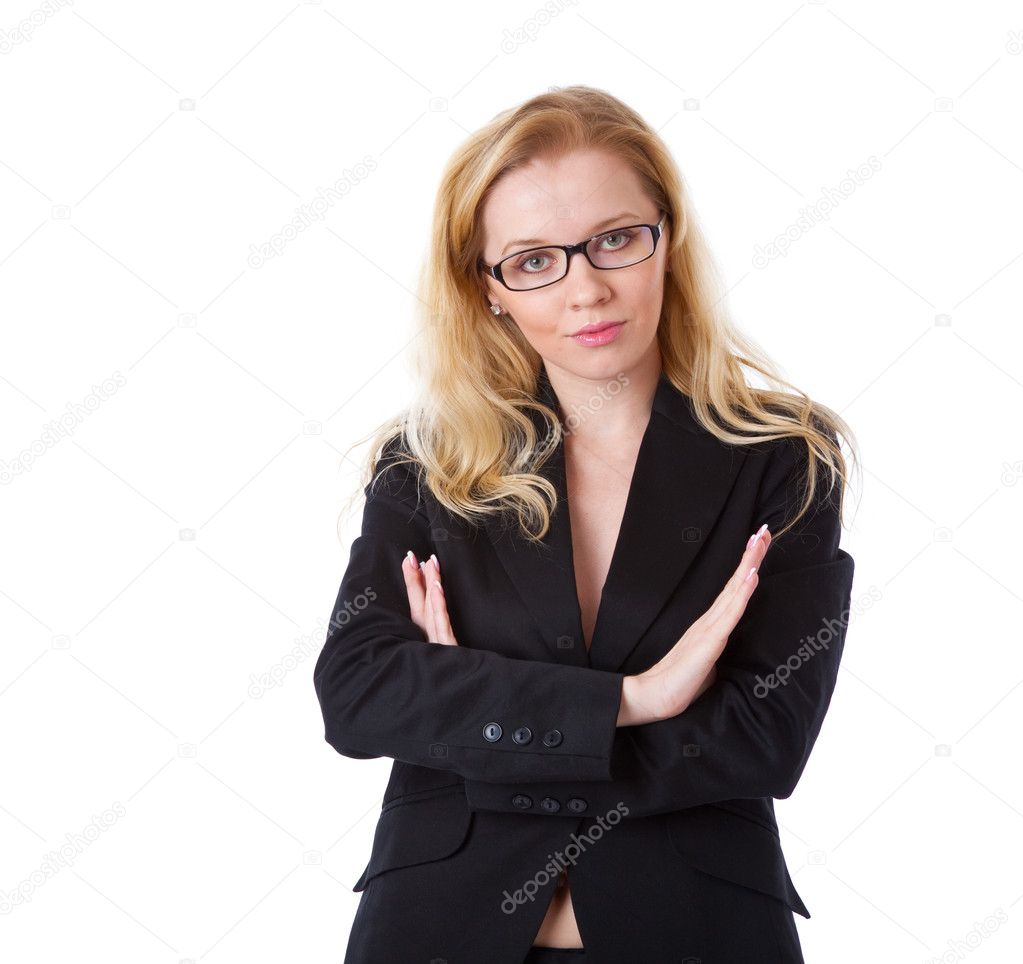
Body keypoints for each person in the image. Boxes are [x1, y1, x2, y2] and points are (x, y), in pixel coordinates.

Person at [314, 85, 858, 964]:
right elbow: (358, 694)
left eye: (614, 239)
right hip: (437, 934)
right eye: (533, 260)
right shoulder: (428, 469)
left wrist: (484, 729)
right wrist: (634, 701)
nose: (586, 289)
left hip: (697, 935)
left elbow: (763, 738)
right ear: (485, 288)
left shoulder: (782, 457)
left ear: (665, 239)